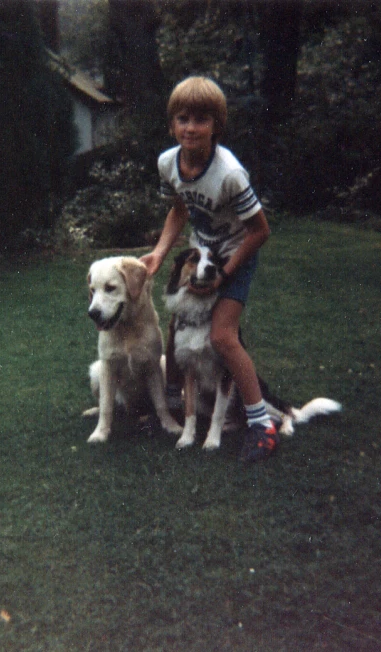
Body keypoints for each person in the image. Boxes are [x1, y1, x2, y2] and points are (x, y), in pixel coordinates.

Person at [140, 76, 277, 463]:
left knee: (221, 336)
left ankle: (261, 424)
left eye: (201, 119)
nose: (190, 127)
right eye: (183, 118)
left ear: (216, 125)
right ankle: (172, 401)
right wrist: (160, 251)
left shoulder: (229, 173)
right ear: (172, 125)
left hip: (236, 253)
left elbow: (260, 230)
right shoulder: (169, 162)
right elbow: (180, 208)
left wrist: (225, 273)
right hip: (202, 251)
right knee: (179, 322)